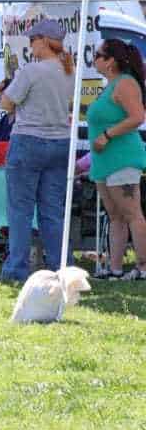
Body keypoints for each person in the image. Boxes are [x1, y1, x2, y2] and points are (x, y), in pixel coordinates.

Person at [0, 18, 74, 282]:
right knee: (51, 211)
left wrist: (3, 92)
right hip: (60, 142)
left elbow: (7, 104)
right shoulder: (69, 71)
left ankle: (16, 269)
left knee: (20, 210)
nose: (30, 44)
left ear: (44, 41)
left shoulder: (31, 71)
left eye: (32, 39)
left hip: (29, 140)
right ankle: (61, 267)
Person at [89, 38, 146, 280]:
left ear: (110, 61)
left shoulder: (125, 84)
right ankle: (114, 269)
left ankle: (143, 268)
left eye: (98, 55)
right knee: (115, 216)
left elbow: (137, 117)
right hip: (104, 162)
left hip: (122, 159)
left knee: (133, 214)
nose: (94, 60)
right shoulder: (110, 85)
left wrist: (106, 134)